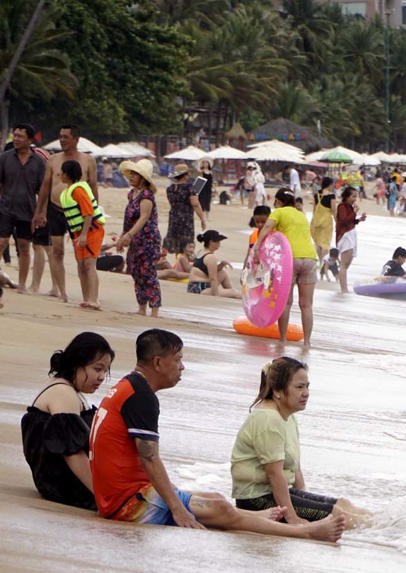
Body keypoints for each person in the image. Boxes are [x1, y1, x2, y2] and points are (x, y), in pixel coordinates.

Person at [89, 329, 345, 541]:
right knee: (220, 509)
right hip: (130, 505)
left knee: (214, 498)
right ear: (157, 362)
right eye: (177, 359)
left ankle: (254, 518)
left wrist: (176, 496)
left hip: (118, 496)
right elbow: (149, 458)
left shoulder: (128, 386)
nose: (182, 366)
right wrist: (178, 510)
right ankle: (305, 532)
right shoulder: (141, 397)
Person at [231, 357, 370, 527]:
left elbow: (294, 467)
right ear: (277, 391)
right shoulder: (268, 419)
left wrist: (304, 498)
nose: (306, 393)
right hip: (255, 500)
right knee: (339, 516)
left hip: (275, 494)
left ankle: (391, 530)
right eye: (299, 387)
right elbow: (274, 473)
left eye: (307, 386)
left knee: (343, 504)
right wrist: (292, 517)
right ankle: (381, 537)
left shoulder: (287, 416)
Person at [21, 332, 115, 510]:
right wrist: (104, 496)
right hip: (65, 487)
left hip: (62, 484)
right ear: (76, 364)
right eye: (97, 369)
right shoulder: (63, 393)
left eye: (105, 370)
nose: (102, 377)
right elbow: (72, 453)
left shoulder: (68, 390)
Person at [33, 124, 97, 302]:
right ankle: (62, 292)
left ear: (76, 139)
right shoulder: (53, 160)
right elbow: (45, 186)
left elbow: (92, 187)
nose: (62, 140)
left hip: (77, 212)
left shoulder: (88, 161)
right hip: (55, 208)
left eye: (65, 137)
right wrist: (39, 211)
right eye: (60, 136)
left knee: (80, 254)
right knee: (57, 251)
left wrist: (95, 213)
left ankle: (86, 293)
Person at [252, 189, 317, 347]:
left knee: (286, 302)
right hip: (310, 258)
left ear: (279, 202)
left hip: (290, 259)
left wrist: (256, 248)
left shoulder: (279, 212)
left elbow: (267, 227)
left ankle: (283, 339)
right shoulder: (301, 214)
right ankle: (307, 342)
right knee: (306, 304)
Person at [0, 123, 46, 293]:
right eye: (15, 136)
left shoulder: (38, 162)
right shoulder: (5, 158)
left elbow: (42, 191)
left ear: (30, 140)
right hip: (5, 207)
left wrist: (41, 212)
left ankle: (22, 284)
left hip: (27, 210)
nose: (16, 139)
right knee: (2, 242)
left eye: (20, 136)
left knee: (24, 246)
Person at [116, 159, 162, 317]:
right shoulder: (132, 194)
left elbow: (143, 218)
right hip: (135, 239)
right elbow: (128, 218)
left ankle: (154, 309)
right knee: (135, 271)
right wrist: (123, 236)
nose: (132, 177)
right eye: (131, 174)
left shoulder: (147, 196)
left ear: (143, 178)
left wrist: (129, 235)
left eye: (136, 174)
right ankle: (141, 307)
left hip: (148, 239)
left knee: (148, 273)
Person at [59, 159, 106, 309]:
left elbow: (88, 213)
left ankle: (94, 299)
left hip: (92, 230)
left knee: (89, 264)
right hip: (78, 232)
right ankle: (86, 298)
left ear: (68, 174)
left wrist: (84, 234)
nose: (60, 174)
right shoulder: (67, 191)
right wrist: (73, 234)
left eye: (63, 172)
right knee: (81, 265)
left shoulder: (78, 190)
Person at [162, 163, 206, 254]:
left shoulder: (170, 189)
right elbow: (195, 204)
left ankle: (178, 263)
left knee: (176, 243)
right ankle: (182, 265)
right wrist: (202, 218)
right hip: (185, 218)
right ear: (184, 176)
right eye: (187, 174)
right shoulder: (189, 188)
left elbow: (172, 203)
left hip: (174, 217)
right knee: (185, 245)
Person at [187, 230, 240, 298]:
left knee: (222, 273)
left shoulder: (201, 252)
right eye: (217, 241)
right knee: (234, 292)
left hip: (193, 287)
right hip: (200, 289)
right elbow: (213, 278)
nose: (219, 243)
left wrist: (221, 265)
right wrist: (216, 295)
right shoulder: (210, 257)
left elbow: (206, 270)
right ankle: (233, 294)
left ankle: (228, 292)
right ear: (211, 242)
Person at [335, 186, 366, 294]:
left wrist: (359, 220)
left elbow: (350, 221)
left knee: (347, 264)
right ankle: (344, 289)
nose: (355, 199)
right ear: (347, 196)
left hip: (351, 234)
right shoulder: (342, 206)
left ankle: (343, 288)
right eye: (353, 196)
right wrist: (355, 212)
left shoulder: (349, 207)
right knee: (344, 264)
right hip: (345, 236)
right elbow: (344, 221)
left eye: (356, 196)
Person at [310, 176, 336, 262]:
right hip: (326, 222)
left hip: (316, 221)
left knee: (317, 243)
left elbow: (314, 209)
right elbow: (333, 210)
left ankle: (320, 261)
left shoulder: (316, 194)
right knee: (325, 243)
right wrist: (337, 222)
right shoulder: (331, 195)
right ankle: (324, 263)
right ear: (329, 185)